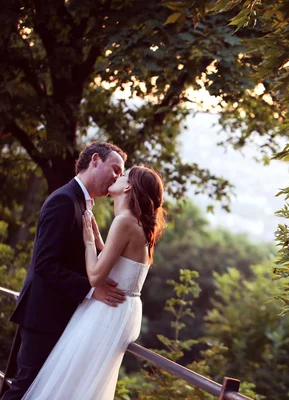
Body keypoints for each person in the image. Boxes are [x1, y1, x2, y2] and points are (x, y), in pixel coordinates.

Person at [22, 165, 166, 399]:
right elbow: (123, 262)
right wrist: (100, 241)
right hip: (123, 309)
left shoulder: (124, 222)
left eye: (124, 175)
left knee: (72, 378)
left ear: (128, 187)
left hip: (107, 310)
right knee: (85, 380)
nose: (119, 177)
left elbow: (96, 277)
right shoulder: (138, 224)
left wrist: (89, 243)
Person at [2, 142, 128, 400]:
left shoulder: (83, 204)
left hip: (59, 316)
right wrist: (93, 289)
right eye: (115, 169)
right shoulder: (63, 200)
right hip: (44, 316)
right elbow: (45, 264)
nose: (118, 177)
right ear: (95, 160)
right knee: (24, 388)